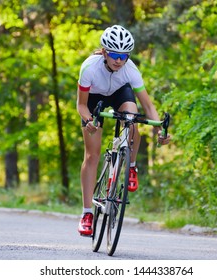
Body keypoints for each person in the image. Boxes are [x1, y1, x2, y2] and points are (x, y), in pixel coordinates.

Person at [76, 25, 171, 236]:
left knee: (132, 117)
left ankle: (131, 165)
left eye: (124, 55)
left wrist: (159, 131)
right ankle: (86, 214)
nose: (119, 60)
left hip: (119, 93)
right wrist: (89, 120)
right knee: (92, 155)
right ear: (104, 52)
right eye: (114, 54)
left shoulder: (130, 70)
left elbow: (148, 106)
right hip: (93, 99)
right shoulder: (89, 68)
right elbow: (81, 105)